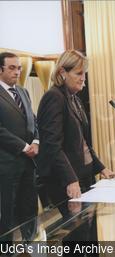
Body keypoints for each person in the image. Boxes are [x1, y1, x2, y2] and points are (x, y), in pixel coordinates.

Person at [36, 50, 115, 218]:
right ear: (62, 72)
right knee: (78, 237)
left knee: (90, 234)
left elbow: (83, 143)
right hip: (67, 180)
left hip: (84, 176)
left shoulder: (74, 98)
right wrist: (70, 179)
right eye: (79, 73)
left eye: (85, 73)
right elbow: (52, 145)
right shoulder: (54, 97)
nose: (83, 78)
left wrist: (101, 168)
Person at [0, 52, 39, 242]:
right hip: (7, 166)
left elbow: (34, 121)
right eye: (12, 68)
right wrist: (24, 147)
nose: (17, 72)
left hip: (29, 165)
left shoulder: (23, 91)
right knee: (7, 217)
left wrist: (36, 142)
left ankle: (31, 248)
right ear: (0, 70)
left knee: (30, 210)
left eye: (19, 68)